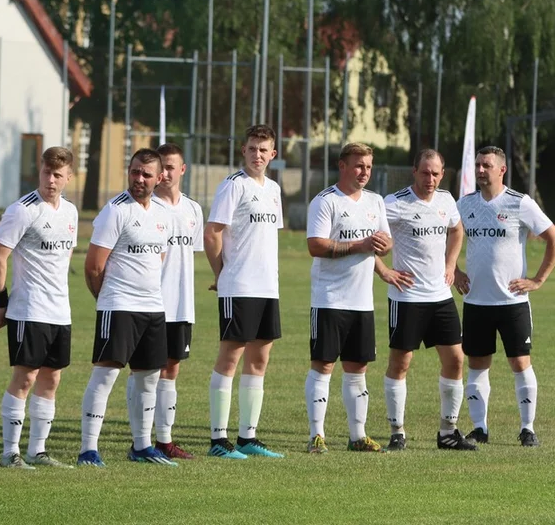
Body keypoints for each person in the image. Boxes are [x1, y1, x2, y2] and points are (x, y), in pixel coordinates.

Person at [454, 146, 555, 447]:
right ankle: (479, 428)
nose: (479, 170)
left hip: (512, 302)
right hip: (476, 301)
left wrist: (538, 279)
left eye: (486, 165)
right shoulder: (465, 204)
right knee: (477, 364)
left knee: (519, 362)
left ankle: (527, 428)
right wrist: (456, 271)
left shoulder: (520, 203)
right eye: (477, 164)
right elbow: (445, 240)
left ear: (501, 170)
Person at [78, 148, 174, 467]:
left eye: (147, 174)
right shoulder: (115, 211)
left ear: (159, 178)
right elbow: (93, 266)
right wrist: (107, 303)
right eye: (135, 172)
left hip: (153, 307)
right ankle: (88, 449)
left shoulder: (162, 214)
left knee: (148, 377)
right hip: (118, 306)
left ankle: (142, 445)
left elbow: (157, 258)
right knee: (106, 375)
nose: (139, 179)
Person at [0, 146, 78, 469]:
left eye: (57, 175)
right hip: (28, 310)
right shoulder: (22, 210)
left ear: (69, 176)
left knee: (51, 379)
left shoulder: (70, 212)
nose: (50, 180)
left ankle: (37, 451)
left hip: (60, 311)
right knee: (25, 378)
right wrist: (2, 302)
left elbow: (64, 258)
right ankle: (10, 452)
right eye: (45, 173)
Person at [380, 149, 477, 451]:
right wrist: (384, 271)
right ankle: (398, 432)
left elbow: (457, 230)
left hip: (440, 297)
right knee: (401, 363)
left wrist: (451, 265)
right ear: (415, 171)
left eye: (436, 173)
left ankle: (448, 432)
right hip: (406, 297)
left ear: (442, 174)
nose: (431, 179)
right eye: (425, 172)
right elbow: (368, 237)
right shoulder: (394, 203)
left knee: (456, 360)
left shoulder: (447, 201)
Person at [304, 142, 396, 453]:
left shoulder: (375, 201)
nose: (364, 172)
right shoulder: (325, 201)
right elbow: (316, 246)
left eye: (368, 167)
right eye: (358, 166)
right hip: (329, 299)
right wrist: (360, 245)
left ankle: (358, 436)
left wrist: (383, 245)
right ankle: (317, 435)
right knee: (324, 366)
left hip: (362, 302)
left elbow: (384, 241)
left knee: (358, 368)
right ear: (342, 166)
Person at [203, 124, 285, 460]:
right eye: (252, 149)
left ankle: (247, 436)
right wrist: (222, 275)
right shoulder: (233, 186)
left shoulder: (274, 190)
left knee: (260, 358)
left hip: (268, 286)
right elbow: (212, 234)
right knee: (230, 356)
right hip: (239, 286)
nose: (257, 155)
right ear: (243, 151)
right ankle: (218, 440)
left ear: (273, 154)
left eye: (264, 150)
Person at [145, 142, 204, 459]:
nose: (165, 173)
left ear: (183, 170)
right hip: (150, 303)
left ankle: (164, 440)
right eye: (161, 167)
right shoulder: (147, 207)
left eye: (171, 167)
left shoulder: (193, 210)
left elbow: (189, 255)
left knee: (171, 371)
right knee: (145, 371)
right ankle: (140, 439)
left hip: (181, 304)